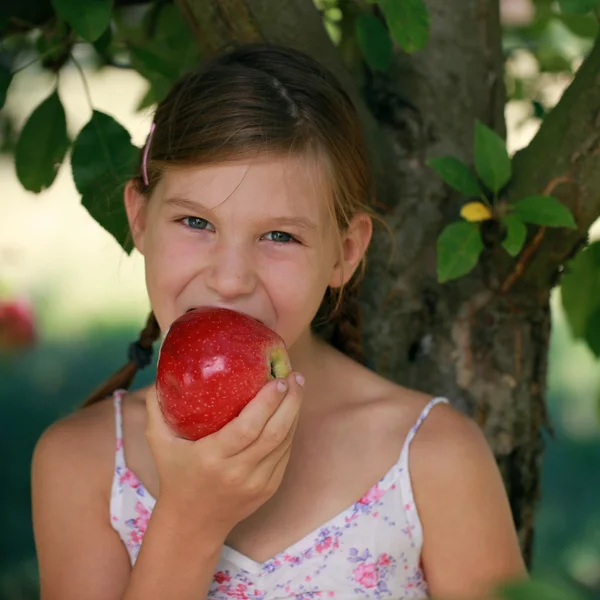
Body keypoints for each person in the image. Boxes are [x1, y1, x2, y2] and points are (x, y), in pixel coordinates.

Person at [31, 43, 526, 600]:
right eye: (195, 221)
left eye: (279, 236)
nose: (231, 277)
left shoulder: (434, 458)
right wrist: (190, 520)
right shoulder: (84, 465)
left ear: (345, 251)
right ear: (139, 219)